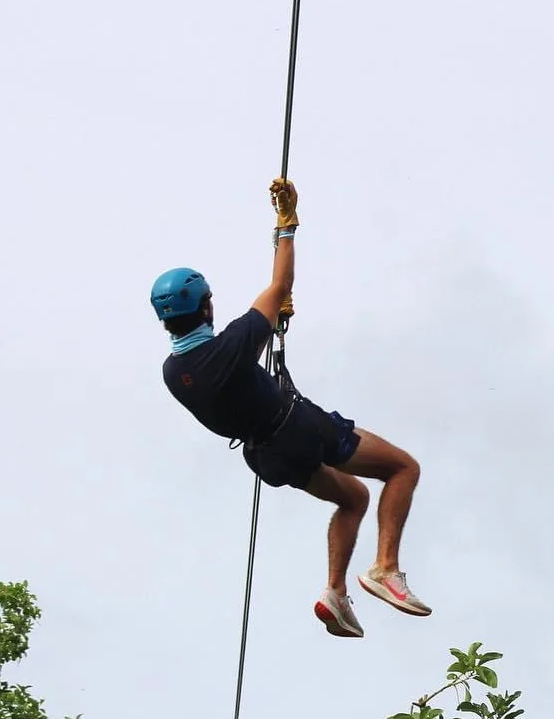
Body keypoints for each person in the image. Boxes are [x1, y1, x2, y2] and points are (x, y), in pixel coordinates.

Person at [151, 177, 430, 638]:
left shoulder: (174, 372)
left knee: (354, 498)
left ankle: (335, 594)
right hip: (298, 428)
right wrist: (287, 224)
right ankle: (385, 567)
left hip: (266, 457)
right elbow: (280, 283)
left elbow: (236, 376)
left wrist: (270, 325)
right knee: (402, 469)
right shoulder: (230, 347)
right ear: (205, 308)